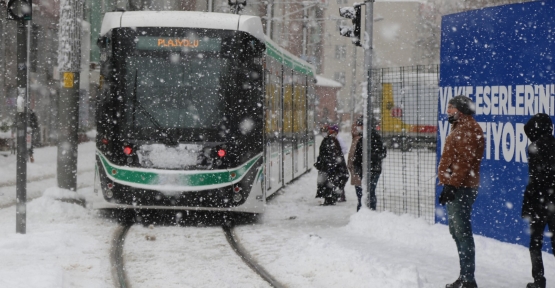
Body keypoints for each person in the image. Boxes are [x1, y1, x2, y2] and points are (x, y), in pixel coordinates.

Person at [438, 95, 484, 288]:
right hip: (457, 186)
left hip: (461, 189)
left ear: (460, 110)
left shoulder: (467, 129)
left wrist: (452, 185)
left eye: (451, 107)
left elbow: (464, 162)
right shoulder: (460, 127)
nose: (447, 111)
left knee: (462, 232)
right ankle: (464, 276)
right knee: (456, 231)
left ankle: (468, 279)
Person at [522, 113, 555, 288]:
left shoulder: (534, 148)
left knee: (536, 242)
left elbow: (535, 180)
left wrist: (527, 205)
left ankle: (539, 280)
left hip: (539, 203)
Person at [314, 124, 349, 206]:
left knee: (329, 182)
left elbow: (330, 155)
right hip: (330, 166)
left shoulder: (330, 140)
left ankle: (330, 199)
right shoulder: (331, 140)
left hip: (329, 167)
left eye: (324, 131)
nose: (323, 133)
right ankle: (331, 198)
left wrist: (326, 164)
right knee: (331, 182)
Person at [368, 119, 386, 210]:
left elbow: (382, 153)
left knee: (369, 191)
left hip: (373, 168)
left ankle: (370, 209)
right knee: (370, 191)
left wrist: (372, 157)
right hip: (374, 168)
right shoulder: (375, 137)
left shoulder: (371, 137)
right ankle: (371, 209)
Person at [348, 118, 364, 211]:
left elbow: (355, 155)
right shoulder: (355, 138)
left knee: (360, 191)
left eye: (356, 127)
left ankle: (361, 209)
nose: (353, 129)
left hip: (358, 169)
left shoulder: (360, 139)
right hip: (356, 169)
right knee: (358, 191)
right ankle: (360, 208)